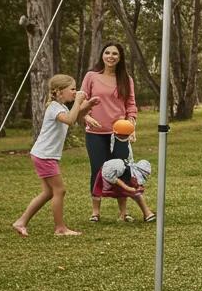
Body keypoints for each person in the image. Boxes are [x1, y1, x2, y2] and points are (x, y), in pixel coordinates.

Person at [12, 75, 100, 237]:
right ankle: (60, 228)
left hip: (43, 154)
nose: (75, 92)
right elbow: (70, 120)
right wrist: (79, 102)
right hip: (45, 156)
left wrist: (88, 104)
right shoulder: (54, 108)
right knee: (60, 190)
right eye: (72, 89)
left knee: (48, 192)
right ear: (59, 92)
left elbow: (75, 114)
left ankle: (21, 222)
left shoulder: (60, 106)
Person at [81, 42, 149, 223]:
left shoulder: (126, 79)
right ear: (102, 55)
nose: (110, 56)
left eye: (115, 54)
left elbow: (131, 105)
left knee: (121, 170)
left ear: (120, 58)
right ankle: (95, 212)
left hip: (119, 133)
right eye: (107, 53)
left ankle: (123, 212)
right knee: (97, 170)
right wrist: (87, 117)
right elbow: (82, 100)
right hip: (95, 133)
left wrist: (131, 126)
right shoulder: (91, 76)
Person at [99, 157, 155, 222]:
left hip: (115, 179)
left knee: (126, 193)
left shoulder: (128, 172)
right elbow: (114, 179)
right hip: (107, 179)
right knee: (125, 192)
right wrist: (128, 188)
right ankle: (123, 215)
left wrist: (135, 188)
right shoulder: (120, 169)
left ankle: (124, 215)